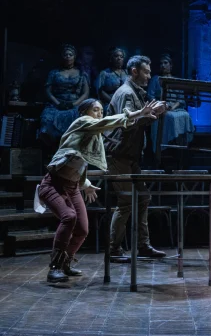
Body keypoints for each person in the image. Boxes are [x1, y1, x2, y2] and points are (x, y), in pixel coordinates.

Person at [37, 97, 163, 283]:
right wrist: (138, 113)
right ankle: (54, 267)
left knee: (82, 229)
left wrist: (85, 184)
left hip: (72, 186)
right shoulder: (81, 122)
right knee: (69, 217)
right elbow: (107, 123)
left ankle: (65, 263)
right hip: (53, 184)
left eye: (101, 111)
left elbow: (78, 161)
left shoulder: (92, 136)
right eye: (95, 110)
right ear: (83, 113)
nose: (99, 114)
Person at [104, 55, 167, 258]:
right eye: (146, 71)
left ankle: (142, 245)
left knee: (143, 198)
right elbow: (128, 122)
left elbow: (138, 122)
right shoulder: (126, 93)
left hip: (130, 156)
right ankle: (113, 248)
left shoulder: (136, 93)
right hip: (118, 155)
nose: (149, 76)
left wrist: (153, 114)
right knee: (126, 201)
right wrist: (148, 114)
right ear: (134, 71)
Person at [39, 44, 89, 146]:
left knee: (81, 120)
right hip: (56, 104)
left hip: (75, 104)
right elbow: (48, 91)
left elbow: (86, 93)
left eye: (70, 54)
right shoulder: (54, 73)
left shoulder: (81, 73)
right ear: (62, 57)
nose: (68, 57)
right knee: (46, 119)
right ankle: (50, 147)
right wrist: (58, 103)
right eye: (65, 55)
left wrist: (74, 104)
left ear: (74, 57)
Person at [147, 53, 195, 155]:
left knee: (185, 115)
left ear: (171, 65)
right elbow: (150, 96)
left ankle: (181, 147)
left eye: (165, 63)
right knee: (168, 117)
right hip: (160, 107)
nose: (163, 65)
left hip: (174, 108)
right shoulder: (156, 79)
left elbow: (181, 99)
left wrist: (172, 107)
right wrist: (161, 105)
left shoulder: (176, 80)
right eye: (161, 63)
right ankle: (164, 147)